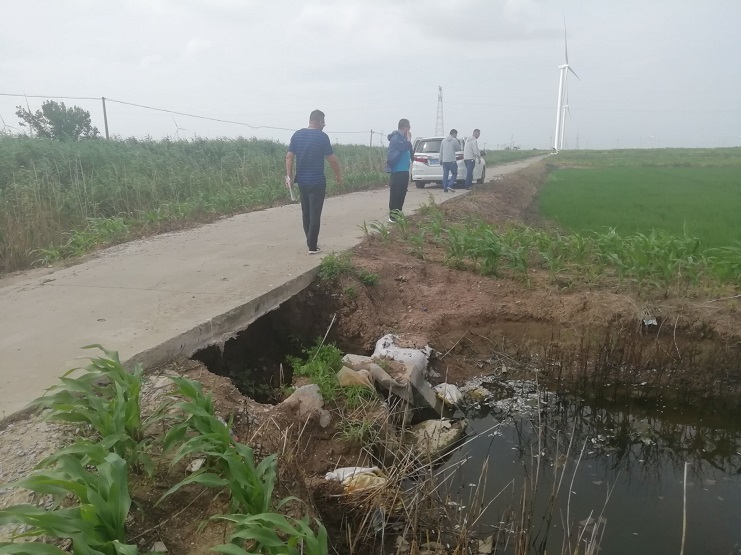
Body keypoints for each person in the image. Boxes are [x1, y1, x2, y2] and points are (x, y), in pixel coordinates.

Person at [285, 109, 342, 254]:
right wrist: (338, 176)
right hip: (317, 181)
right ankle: (312, 246)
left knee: (306, 213)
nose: (324, 126)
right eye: (324, 123)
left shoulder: (297, 135)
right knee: (315, 213)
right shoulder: (322, 137)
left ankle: (310, 241)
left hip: (302, 181)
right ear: (320, 121)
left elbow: (289, 157)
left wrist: (289, 177)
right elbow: (332, 160)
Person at [385, 118, 414, 222]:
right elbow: (403, 147)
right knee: (396, 194)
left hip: (404, 170)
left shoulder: (403, 139)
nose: (409, 130)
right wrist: (409, 140)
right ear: (405, 127)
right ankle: (393, 217)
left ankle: (398, 214)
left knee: (402, 194)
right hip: (397, 170)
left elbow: (410, 151)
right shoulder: (396, 137)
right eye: (408, 128)